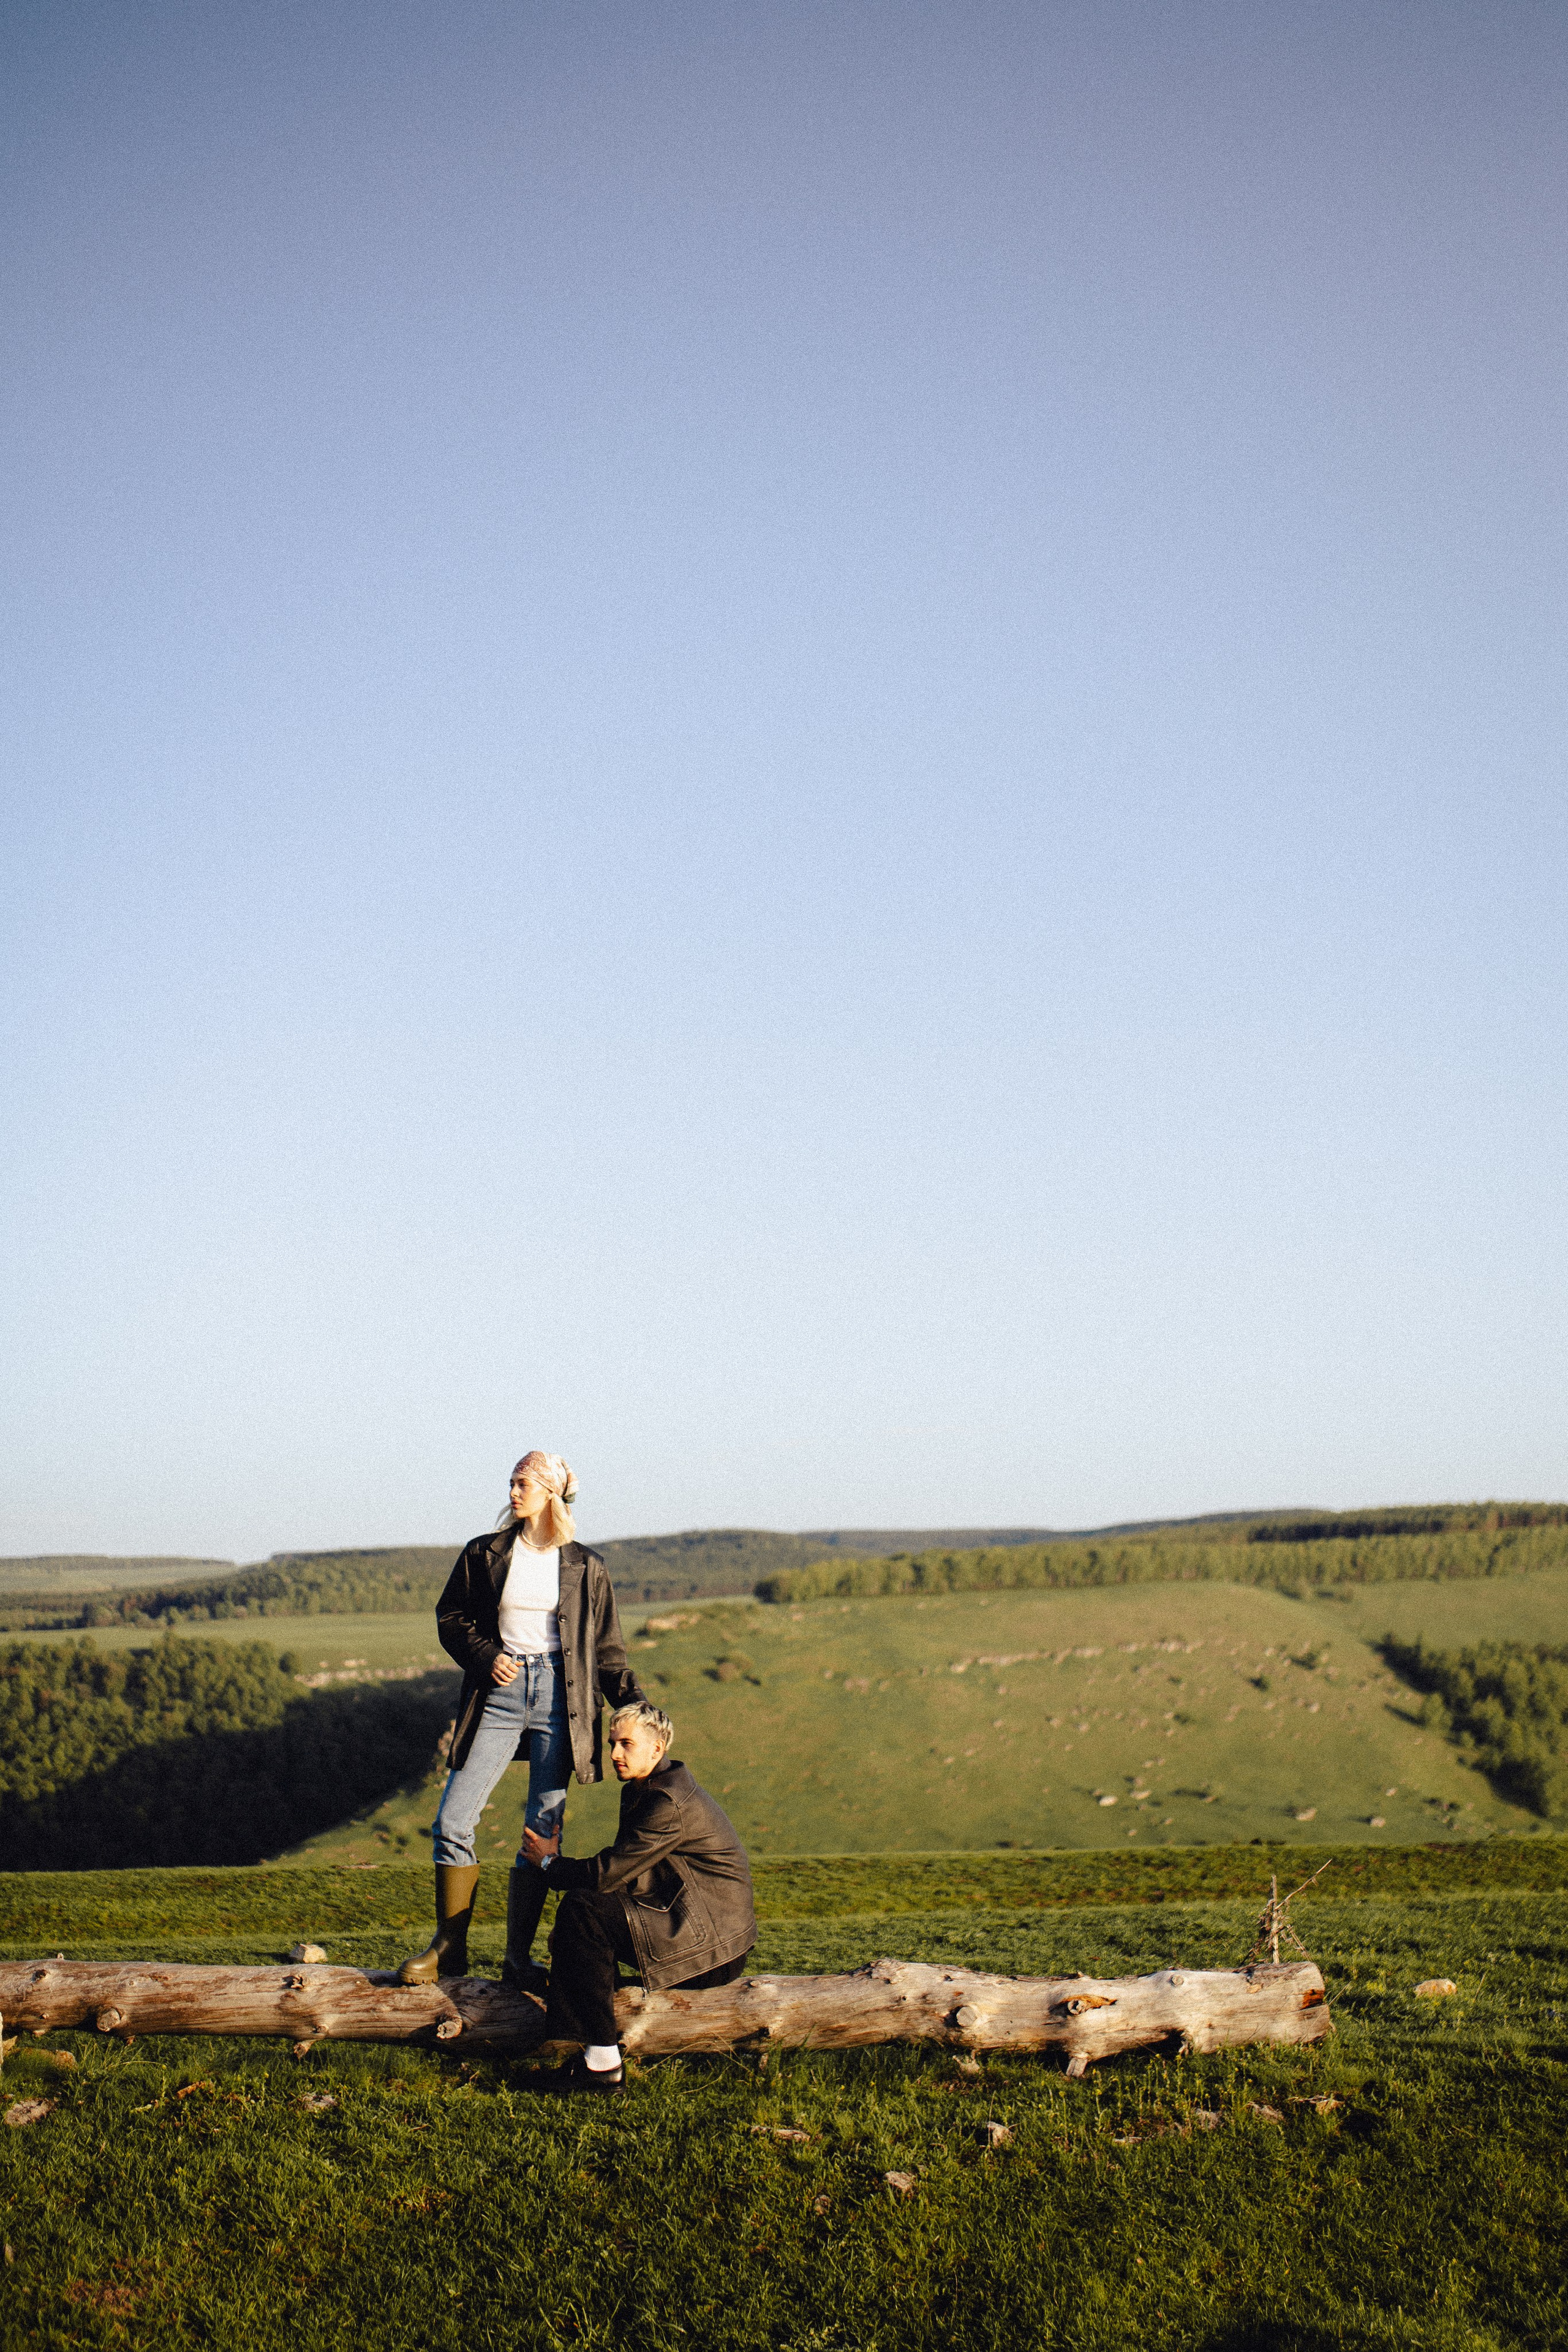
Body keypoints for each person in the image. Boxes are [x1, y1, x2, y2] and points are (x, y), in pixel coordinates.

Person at [398, 1451, 644, 1988]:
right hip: (499, 1696)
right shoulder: (483, 1553)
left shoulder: (587, 1566)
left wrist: (637, 1708)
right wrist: (486, 1655)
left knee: (542, 1832)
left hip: (562, 1698)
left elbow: (607, 1650)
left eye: (524, 1483)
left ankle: (517, 1961)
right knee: (453, 1821)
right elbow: (451, 1617)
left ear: (551, 1493)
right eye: (511, 1482)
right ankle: (448, 1949)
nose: (513, 1492)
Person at [520, 1697, 757, 2094]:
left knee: (584, 1911)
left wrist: (549, 1864)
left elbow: (608, 1873)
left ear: (657, 1748)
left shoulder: (667, 1802)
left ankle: (602, 2065)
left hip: (714, 1948)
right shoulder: (648, 1789)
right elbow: (621, 1877)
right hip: (696, 1928)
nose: (614, 1754)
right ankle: (593, 2027)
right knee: (588, 1911)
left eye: (625, 1744)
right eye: (613, 1743)